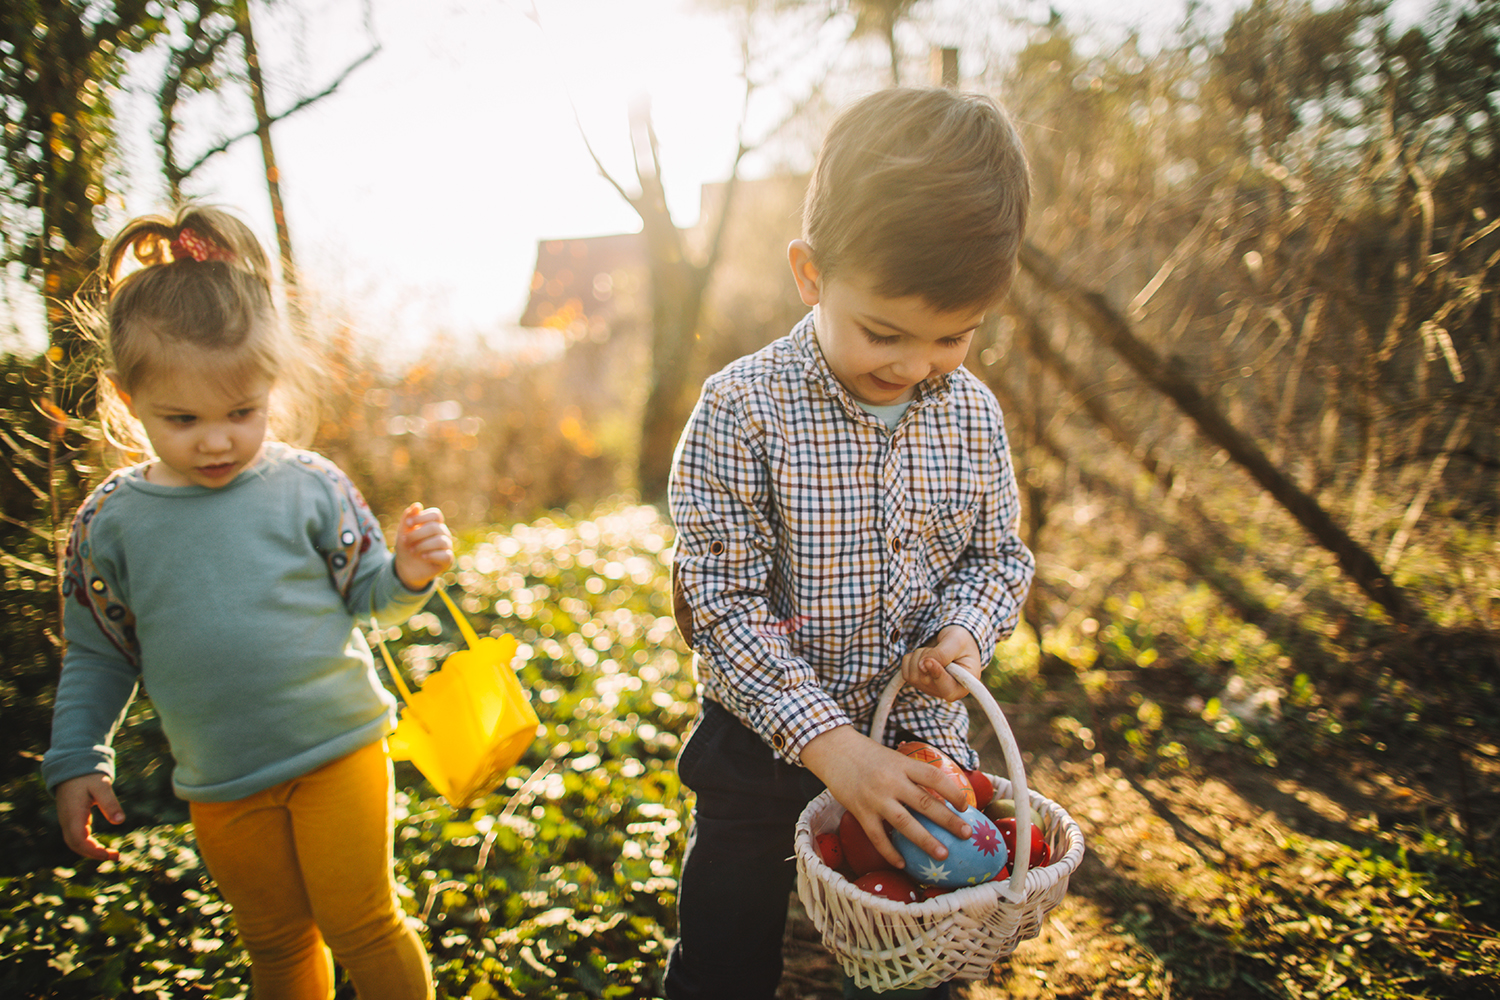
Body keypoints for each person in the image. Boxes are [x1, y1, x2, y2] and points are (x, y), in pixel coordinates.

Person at [663, 87, 1037, 1000]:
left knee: (917, 962)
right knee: (723, 955)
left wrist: (962, 635)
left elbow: (997, 558)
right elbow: (718, 604)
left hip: (917, 747)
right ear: (811, 274)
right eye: (883, 333)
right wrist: (830, 745)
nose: (912, 366)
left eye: (951, 337)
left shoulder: (972, 417)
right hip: (761, 745)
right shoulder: (743, 411)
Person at [42, 205, 453, 1000]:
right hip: (222, 782)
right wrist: (79, 758)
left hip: (339, 750)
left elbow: (369, 600)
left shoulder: (308, 487)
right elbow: (98, 654)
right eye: (182, 419)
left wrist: (405, 573)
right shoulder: (108, 526)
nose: (217, 440)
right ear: (127, 397)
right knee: (275, 944)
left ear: (271, 386)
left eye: (242, 413)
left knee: (364, 924)